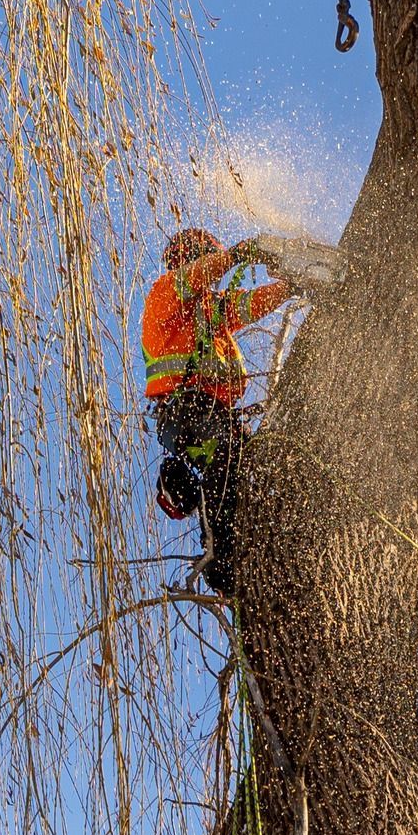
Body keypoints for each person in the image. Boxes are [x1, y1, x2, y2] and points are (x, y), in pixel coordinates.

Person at [141, 227, 291, 594]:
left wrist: (288, 288)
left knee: (250, 466)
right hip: (185, 410)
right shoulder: (165, 295)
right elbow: (196, 276)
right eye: (207, 261)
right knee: (227, 464)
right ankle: (222, 561)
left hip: (215, 412)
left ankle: (254, 547)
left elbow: (248, 305)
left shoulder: (209, 309)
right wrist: (236, 256)